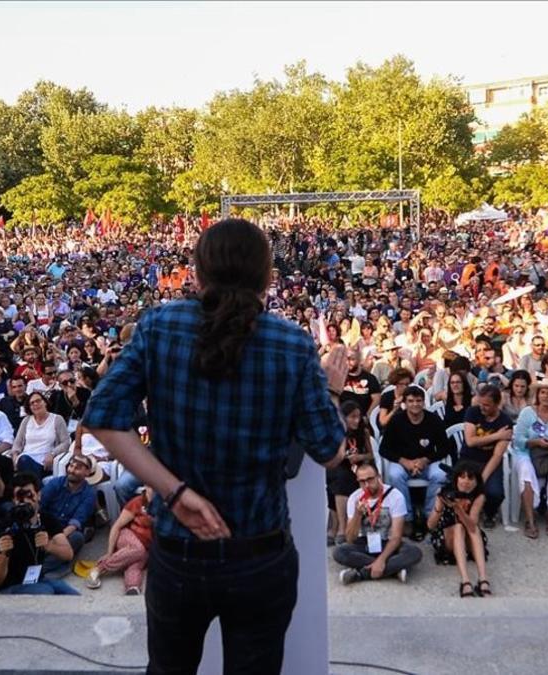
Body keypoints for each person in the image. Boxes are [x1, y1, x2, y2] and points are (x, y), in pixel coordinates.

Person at [84, 219, 346, 675]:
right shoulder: (292, 343)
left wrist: (175, 493)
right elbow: (329, 451)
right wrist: (334, 392)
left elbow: (101, 416)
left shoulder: (160, 326)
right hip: (260, 557)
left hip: (178, 553)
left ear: (197, 273)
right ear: (267, 278)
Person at [0, 473, 80, 595]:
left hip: (36, 578)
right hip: (9, 587)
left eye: (29, 495)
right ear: (13, 500)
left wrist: (49, 546)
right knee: (45, 591)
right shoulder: (4, 526)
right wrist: (4, 554)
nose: (24, 500)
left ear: (38, 495)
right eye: (19, 496)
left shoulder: (47, 519)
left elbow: (68, 554)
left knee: (72, 595)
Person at [379, 385, 451, 538]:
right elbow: (383, 449)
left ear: (424, 402)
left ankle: (430, 516)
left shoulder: (433, 419)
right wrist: (404, 461)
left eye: (418, 401)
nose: (415, 404)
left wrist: (426, 460)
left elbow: (445, 447)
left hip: (427, 462)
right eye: (410, 401)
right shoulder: (397, 420)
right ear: (404, 403)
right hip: (403, 462)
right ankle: (407, 519)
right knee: (394, 474)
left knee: (439, 475)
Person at [333, 462, 421, 584]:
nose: (367, 484)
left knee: (413, 552)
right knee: (340, 552)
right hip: (364, 543)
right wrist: (357, 515)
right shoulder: (354, 498)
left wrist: (381, 560)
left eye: (370, 479)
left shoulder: (395, 496)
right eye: (362, 481)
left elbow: (396, 537)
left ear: (379, 477)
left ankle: (361, 573)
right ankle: (393, 570)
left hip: (388, 543)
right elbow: (350, 538)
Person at [512, 378, 548, 538]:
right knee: (525, 469)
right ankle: (530, 520)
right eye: (543, 392)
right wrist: (536, 442)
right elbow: (518, 439)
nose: (546, 396)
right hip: (528, 452)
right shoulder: (527, 412)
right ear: (538, 394)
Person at [427, 461, 490, 597]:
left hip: (469, 536)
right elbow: (430, 526)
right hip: (447, 537)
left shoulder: (479, 495)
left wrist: (458, 509)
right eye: (462, 477)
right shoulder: (447, 492)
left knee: (471, 528)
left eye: (470, 478)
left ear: (476, 481)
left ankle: (483, 578)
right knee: (458, 527)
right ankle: (465, 581)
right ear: (456, 479)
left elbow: (472, 526)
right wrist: (439, 506)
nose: (465, 481)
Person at [460, 384, 513, 528]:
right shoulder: (472, 412)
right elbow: (470, 441)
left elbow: (497, 455)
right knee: (461, 487)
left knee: (495, 492)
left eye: (487, 405)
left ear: (497, 404)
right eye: (481, 404)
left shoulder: (505, 422)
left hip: (489, 461)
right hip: (468, 459)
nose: (482, 408)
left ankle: (490, 513)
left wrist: (482, 478)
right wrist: (497, 435)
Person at [86, 486, 155, 595]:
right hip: (128, 535)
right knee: (139, 550)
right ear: (146, 487)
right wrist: (109, 552)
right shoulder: (137, 502)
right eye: (152, 488)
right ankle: (99, 568)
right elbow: (116, 526)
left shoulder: (164, 507)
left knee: (137, 562)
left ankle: (132, 587)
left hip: (146, 546)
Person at [36, 454, 97, 575]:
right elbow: (38, 506)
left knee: (77, 538)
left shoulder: (89, 493)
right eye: (71, 465)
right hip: (45, 527)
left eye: (78, 467)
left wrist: (57, 539)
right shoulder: (55, 483)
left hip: (65, 532)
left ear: (87, 472)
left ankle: (40, 569)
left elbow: (76, 521)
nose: (72, 470)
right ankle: (54, 563)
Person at [326, 400, 374, 545]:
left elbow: (371, 455)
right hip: (341, 464)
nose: (356, 420)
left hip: (358, 467)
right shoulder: (337, 432)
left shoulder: (363, 432)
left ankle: (341, 527)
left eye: (358, 417)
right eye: (352, 417)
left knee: (341, 478)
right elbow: (332, 455)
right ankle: (336, 525)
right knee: (335, 476)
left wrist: (359, 456)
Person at [9, 391, 69, 480]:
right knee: (24, 460)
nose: (36, 404)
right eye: (32, 403)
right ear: (29, 407)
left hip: (45, 462)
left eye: (38, 401)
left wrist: (52, 454)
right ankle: (39, 490)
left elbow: (65, 442)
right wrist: (14, 456)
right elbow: (17, 443)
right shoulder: (26, 420)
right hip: (26, 458)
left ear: (45, 402)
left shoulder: (57, 419)